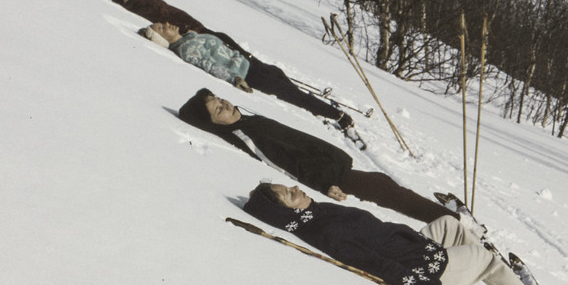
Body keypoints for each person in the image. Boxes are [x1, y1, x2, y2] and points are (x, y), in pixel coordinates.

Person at [243, 181, 568, 285]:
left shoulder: (317, 211)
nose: (295, 188)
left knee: (450, 225)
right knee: (487, 259)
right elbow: (370, 261)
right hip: (421, 269)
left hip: (412, 247)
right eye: (288, 194)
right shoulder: (325, 229)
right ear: (288, 210)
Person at [177, 88, 447, 225]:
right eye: (217, 109)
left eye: (219, 99)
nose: (224, 104)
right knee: (386, 191)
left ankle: (442, 217)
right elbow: (281, 162)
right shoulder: (246, 135)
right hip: (329, 174)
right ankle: (447, 221)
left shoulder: (245, 119)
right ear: (215, 123)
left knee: (385, 187)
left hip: (331, 164)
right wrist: (323, 185)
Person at [101, 0, 350, 126]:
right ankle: (332, 114)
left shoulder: (146, 5)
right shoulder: (139, 8)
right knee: (281, 88)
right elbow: (208, 65)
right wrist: (234, 79)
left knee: (277, 74)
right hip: (238, 68)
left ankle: (315, 105)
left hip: (220, 46)